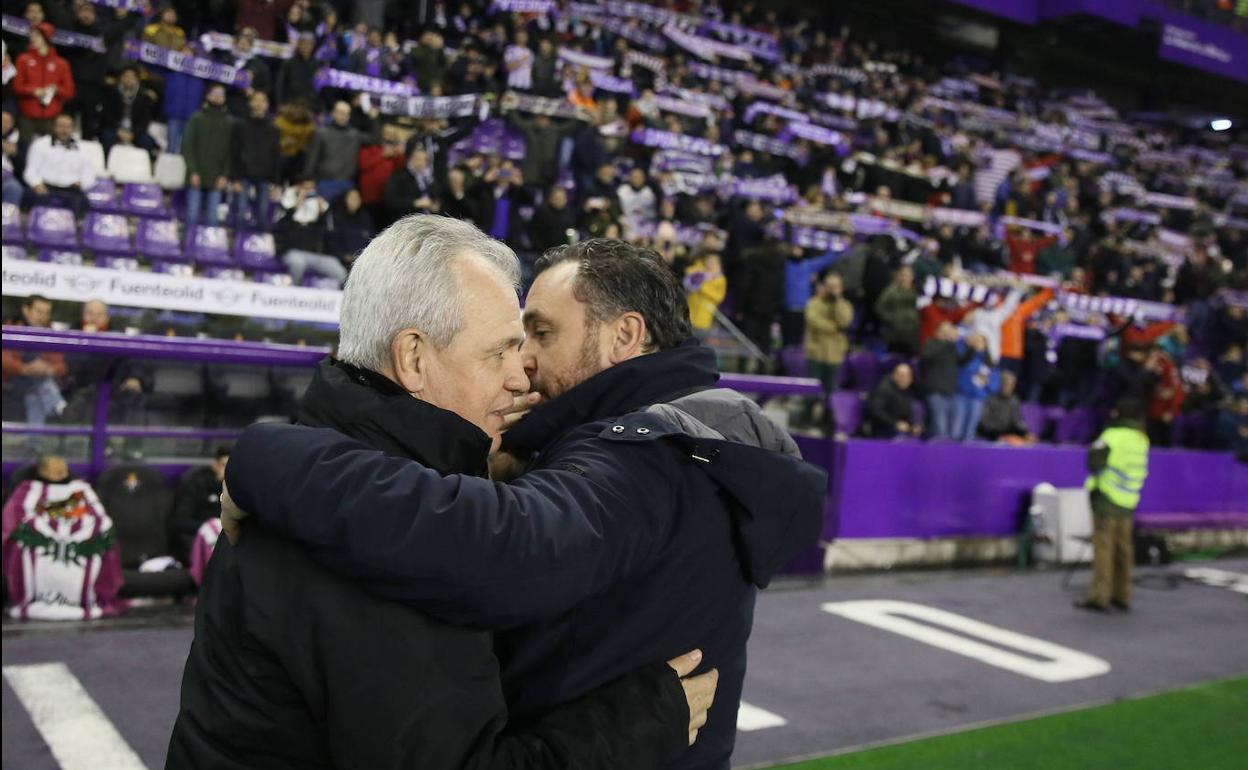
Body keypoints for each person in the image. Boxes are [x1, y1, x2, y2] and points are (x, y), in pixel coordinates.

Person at [220, 234, 826, 770]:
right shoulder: (663, 441)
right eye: (506, 345)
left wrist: (268, 458)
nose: (522, 364)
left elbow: (506, 552)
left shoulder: (649, 455)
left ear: (625, 335)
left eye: (541, 333)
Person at [2, 454, 124, 621]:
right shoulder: (28, 491)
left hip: (67, 550)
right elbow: (16, 517)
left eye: (60, 469)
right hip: (52, 551)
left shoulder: (80, 491)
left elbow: (99, 518)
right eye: (54, 469)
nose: (58, 472)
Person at [1076, 397, 1150, 613]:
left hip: (1107, 497)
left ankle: (1100, 596)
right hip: (1129, 498)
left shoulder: (1111, 435)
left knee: (1104, 548)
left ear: (1118, 413)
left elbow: (1093, 462)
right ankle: (1122, 594)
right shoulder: (1142, 438)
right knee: (1124, 549)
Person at [2, 295, 68, 428]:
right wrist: (23, 368)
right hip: (11, 382)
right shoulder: (9, 328)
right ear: (26, 310)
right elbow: (4, 359)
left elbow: (62, 365)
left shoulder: (52, 334)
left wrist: (49, 369)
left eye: (46, 313)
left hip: (37, 384)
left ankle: (34, 440)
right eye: (39, 311)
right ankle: (58, 407)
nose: (43, 317)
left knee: (35, 393)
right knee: (39, 379)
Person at [802, 271, 853, 426]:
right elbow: (813, 320)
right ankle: (806, 419)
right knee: (811, 390)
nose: (832, 290)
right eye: (829, 286)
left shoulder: (844, 305)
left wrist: (837, 302)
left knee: (831, 391)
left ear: (841, 288)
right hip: (816, 354)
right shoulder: (814, 303)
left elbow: (845, 321)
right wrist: (834, 328)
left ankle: (827, 421)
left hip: (835, 355)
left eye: (835, 287)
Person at [275, 178, 346, 285]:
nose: (308, 191)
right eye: (305, 188)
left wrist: (322, 214)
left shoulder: (317, 207)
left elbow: (327, 232)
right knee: (297, 262)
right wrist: (297, 204)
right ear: (299, 188)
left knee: (337, 268)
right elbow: (281, 226)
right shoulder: (288, 203)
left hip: (314, 255)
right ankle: (295, 290)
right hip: (293, 252)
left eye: (311, 188)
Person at [22, 113, 95, 214]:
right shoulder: (40, 144)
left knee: (82, 202)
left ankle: (77, 223)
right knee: (31, 196)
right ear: (54, 127)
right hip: (45, 186)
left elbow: (89, 174)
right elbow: (30, 171)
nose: (64, 130)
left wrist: (82, 184)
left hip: (71, 189)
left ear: (73, 129)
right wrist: (37, 184)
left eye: (67, 127)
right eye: (60, 126)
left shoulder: (83, 149)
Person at [12, 23, 74, 142]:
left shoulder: (61, 63)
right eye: (32, 35)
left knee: (52, 150)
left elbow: (69, 91)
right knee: (25, 149)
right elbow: (17, 87)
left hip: (52, 118)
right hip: (27, 117)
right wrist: (33, 91)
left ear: (46, 38)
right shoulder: (23, 59)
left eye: (37, 35)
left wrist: (56, 89)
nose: (32, 38)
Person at [230, 89, 281, 230]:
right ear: (250, 103)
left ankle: (259, 242)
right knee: (240, 212)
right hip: (243, 175)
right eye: (256, 100)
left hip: (264, 176)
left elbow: (276, 156)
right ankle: (239, 241)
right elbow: (234, 152)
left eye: (262, 100)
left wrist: (276, 182)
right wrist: (235, 178)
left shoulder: (274, 129)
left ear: (267, 104)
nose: (259, 104)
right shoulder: (240, 125)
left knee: (263, 214)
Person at [182, 84, 232, 227]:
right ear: (207, 96)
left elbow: (230, 152)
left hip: (217, 178)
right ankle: (189, 241)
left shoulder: (229, 123)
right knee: (192, 215)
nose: (218, 97)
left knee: (212, 219)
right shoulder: (196, 118)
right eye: (215, 93)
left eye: (221, 94)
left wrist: (224, 175)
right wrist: (193, 171)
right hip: (196, 175)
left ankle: (209, 243)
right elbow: (187, 146)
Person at [170, 446, 230, 564]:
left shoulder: (237, 489)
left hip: (226, 540)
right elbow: (181, 521)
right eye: (224, 465)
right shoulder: (197, 484)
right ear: (215, 465)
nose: (228, 471)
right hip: (196, 539)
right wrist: (210, 526)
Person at [304, 100, 362, 203]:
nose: (343, 116)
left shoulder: (355, 135)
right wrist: (308, 178)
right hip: (324, 183)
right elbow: (312, 158)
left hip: (347, 184)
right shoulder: (321, 133)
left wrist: (372, 117)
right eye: (340, 113)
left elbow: (375, 138)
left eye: (346, 114)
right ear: (333, 113)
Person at [99, 65, 159, 155]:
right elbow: (107, 115)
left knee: (147, 142)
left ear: (137, 80)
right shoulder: (112, 93)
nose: (129, 80)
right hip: (115, 129)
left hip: (134, 131)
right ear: (121, 78)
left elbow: (145, 121)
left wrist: (133, 133)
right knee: (107, 137)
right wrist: (118, 130)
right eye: (126, 76)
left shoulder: (143, 97)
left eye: (132, 77)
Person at [953, 331, 998, 443]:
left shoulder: (989, 361)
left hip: (977, 398)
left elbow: (994, 384)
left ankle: (966, 451)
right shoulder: (965, 356)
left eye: (980, 341)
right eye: (975, 340)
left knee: (970, 430)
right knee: (956, 429)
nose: (977, 343)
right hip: (961, 395)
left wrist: (987, 382)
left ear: (985, 344)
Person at [920, 321, 961, 439]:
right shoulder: (931, 343)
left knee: (953, 431)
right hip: (935, 390)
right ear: (937, 333)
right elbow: (927, 356)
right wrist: (946, 342)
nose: (948, 333)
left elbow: (961, 361)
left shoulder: (951, 347)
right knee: (940, 428)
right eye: (945, 331)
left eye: (949, 331)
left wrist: (972, 348)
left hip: (950, 391)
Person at [384, 145, 440, 223]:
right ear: (410, 159)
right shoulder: (399, 176)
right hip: (406, 220)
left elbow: (436, 198)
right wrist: (415, 203)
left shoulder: (429, 178)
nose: (421, 163)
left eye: (424, 160)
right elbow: (391, 201)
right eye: (418, 159)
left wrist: (435, 205)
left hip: (428, 220)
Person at [864, 362, 921, 439]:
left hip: (899, 428)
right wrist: (895, 423)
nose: (907, 379)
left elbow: (905, 412)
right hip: (883, 428)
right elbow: (876, 410)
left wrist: (912, 425)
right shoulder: (884, 389)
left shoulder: (906, 391)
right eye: (902, 376)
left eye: (909, 376)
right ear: (895, 376)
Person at [978, 370, 1033, 443]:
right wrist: (998, 435)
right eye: (1006, 384)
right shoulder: (989, 399)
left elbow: (1016, 421)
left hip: (1006, 434)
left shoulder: (1014, 400)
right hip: (990, 435)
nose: (1009, 387)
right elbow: (983, 423)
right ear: (999, 384)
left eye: (1012, 384)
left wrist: (1025, 433)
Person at [875, 266, 920, 356]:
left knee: (911, 357)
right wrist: (892, 319)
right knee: (894, 357)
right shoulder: (891, 290)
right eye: (903, 275)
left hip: (913, 331)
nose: (905, 277)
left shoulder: (918, 290)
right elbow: (879, 307)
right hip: (895, 331)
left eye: (908, 275)